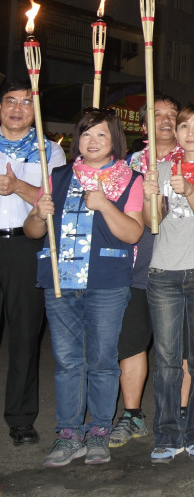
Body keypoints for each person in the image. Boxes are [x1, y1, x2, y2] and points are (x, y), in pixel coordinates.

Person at [27, 109, 144, 466]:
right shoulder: (59, 175)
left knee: (104, 362)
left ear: (114, 142)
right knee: (66, 362)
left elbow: (133, 232)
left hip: (106, 283)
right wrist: (37, 213)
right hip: (61, 281)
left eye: (101, 135)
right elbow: (34, 233)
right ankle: (68, 433)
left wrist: (105, 204)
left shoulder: (130, 180)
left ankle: (99, 432)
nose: (92, 142)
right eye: (86, 134)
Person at [142, 104, 194, 462]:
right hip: (164, 272)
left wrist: (189, 188)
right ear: (175, 132)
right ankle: (167, 432)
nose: (190, 132)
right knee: (166, 359)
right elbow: (152, 222)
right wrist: (150, 195)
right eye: (184, 126)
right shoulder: (158, 169)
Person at [110, 94, 180, 448]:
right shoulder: (127, 165)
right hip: (138, 266)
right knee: (132, 342)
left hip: (182, 265)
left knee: (179, 347)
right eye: (158, 114)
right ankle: (132, 413)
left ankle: (179, 413)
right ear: (143, 123)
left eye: (172, 114)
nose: (166, 120)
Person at [0, 79, 66, 447]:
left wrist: (17, 188)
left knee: (25, 335)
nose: (17, 108)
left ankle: (21, 418)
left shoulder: (49, 151)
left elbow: (51, 198)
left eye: (26, 103)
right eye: (10, 100)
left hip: (26, 246)